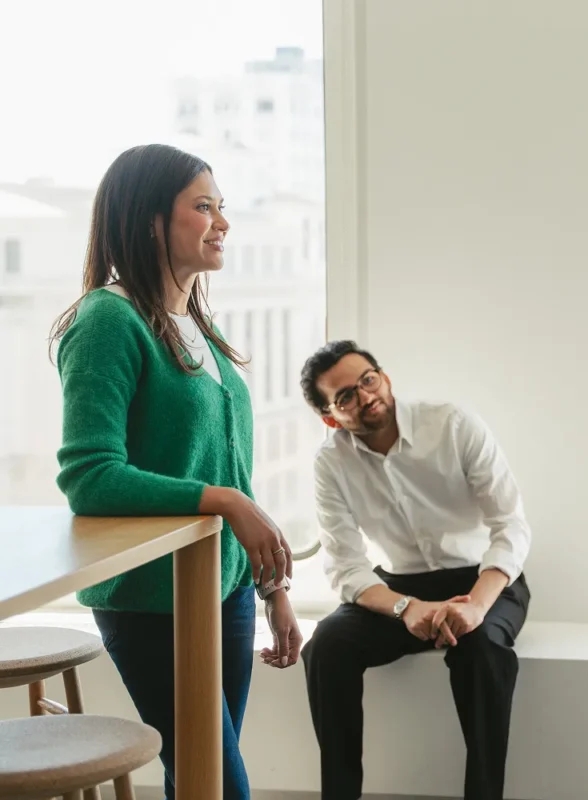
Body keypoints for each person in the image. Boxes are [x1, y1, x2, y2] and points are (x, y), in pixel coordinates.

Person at [50, 143, 303, 800]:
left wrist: (271, 589)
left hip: (223, 589)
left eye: (222, 208)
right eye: (203, 207)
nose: (222, 222)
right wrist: (220, 501)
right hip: (151, 600)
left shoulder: (197, 324)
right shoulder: (108, 319)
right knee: (221, 785)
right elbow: (92, 477)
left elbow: (234, 470)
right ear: (151, 220)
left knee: (197, 783)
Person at [297, 340, 531, 800]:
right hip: (401, 589)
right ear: (330, 418)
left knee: (480, 650)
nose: (364, 396)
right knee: (326, 645)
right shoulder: (331, 463)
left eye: (368, 379)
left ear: (384, 377)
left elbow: (511, 526)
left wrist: (478, 606)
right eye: (344, 396)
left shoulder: (453, 424)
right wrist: (406, 608)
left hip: (484, 581)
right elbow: (346, 566)